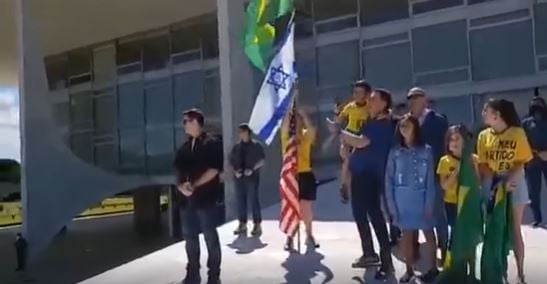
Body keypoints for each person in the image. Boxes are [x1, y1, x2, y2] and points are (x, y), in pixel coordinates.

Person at [477, 99, 534, 284]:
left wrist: (508, 178)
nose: (483, 113)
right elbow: (483, 163)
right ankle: (499, 273)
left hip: (515, 180)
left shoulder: (517, 133)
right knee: (495, 227)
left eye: (487, 110)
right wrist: (495, 184)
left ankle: (520, 273)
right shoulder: (483, 136)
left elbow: (522, 160)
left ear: (498, 114)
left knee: (514, 228)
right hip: (493, 183)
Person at [341, 88, 396, 280]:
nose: (369, 102)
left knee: (376, 217)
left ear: (383, 104)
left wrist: (341, 132)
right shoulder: (370, 122)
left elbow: (362, 142)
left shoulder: (382, 124)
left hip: (370, 177)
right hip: (359, 176)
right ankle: (369, 253)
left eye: (373, 99)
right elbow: (358, 147)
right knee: (359, 215)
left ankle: (386, 262)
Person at [385, 115, 438, 283]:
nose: (404, 129)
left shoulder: (426, 150)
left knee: (429, 234)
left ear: (415, 127)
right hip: (402, 200)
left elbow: (430, 179)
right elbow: (389, 179)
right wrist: (392, 207)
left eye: (407, 126)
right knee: (407, 236)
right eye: (401, 126)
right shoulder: (395, 152)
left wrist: (429, 203)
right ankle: (409, 270)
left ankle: (433, 268)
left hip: (421, 197)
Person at [174, 109, 223, 284]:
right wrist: (181, 186)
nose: (184, 124)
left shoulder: (212, 143)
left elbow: (213, 169)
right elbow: (178, 171)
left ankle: (214, 276)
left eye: (186, 120)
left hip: (205, 199)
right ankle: (193, 274)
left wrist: (193, 186)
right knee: (190, 238)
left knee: (210, 237)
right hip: (186, 202)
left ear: (195, 122)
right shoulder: (184, 148)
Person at [407, 87, 449, 265]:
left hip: (436, 173)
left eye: (416, 97)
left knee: (439, 214)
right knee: (418, 214)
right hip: (416, 177)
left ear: (424, 99)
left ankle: (445, 251)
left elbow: (447, 143)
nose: (412, 100)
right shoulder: (407, 122)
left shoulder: (437, 120)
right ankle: (418, 250)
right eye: (410, 98)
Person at [437, 125, 480, 262]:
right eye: (451, 140)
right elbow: (444, 185)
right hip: (452, 203)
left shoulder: (473, 159)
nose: (454, 143)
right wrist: (456, 172)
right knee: (455, 233)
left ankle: (470, 263)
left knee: (470, 235)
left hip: (469, 201)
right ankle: (452, 264)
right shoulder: (445, 161)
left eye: (457, 139)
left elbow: (478, 182)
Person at [281, 107, 319, 250]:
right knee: (291, 208)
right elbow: (284, 127)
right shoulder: (286, 139)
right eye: (293, 121)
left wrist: (303, 114)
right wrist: (288, 111)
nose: (296, 124)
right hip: (291, 176)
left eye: (298, 121)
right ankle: (289, 238)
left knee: (305, 209)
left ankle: (309, 235)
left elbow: (312, 130)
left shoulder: (305, 136)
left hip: (305, 174)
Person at [328, 80, 371, 204]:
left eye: (359, 92)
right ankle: (344, 186)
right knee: (347, 160)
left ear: (367, 94)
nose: (356, 95)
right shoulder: (350, 106)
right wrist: (336, 112)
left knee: (358, 164)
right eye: (355, 92)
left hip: (362, 137)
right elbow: (338, 120)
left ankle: (357, 187)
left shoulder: (370, 107)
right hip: (349, 136)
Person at [229, 123, 265, 237]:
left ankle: (257, 224)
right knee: (240, 201)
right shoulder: (237, 147)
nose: (241, 134)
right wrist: (235, 171)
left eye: (243, 132)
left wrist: (252, 169)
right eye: (239, 132)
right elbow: (231, 161)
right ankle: (242, 223)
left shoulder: (256, 146)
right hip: (239, 178)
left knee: (253, 200)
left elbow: (262, 160)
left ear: (248, 133)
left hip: (252, 177)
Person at [522, 93, 547, 227]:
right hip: (532, 160)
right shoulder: (526, 122)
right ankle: (537, 218)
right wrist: (533, 153)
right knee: (533, 191)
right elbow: (522, 140)